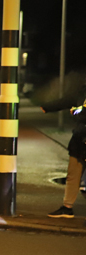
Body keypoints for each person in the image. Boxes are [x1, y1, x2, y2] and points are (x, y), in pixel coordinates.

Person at [42, 83, 86, 218]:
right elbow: (67, 101)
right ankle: (67, 207)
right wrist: (47, 107)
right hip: (79, 139)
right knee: (73, 173)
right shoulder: (82, 92)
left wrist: (78, 112)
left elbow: (80, 112)